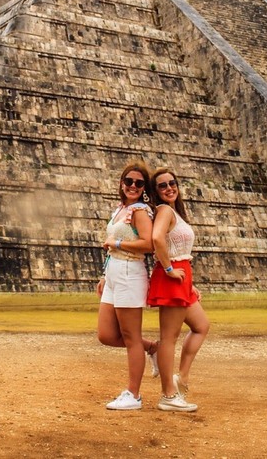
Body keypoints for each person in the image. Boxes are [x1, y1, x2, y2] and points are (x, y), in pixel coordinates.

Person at [146, 167, 210, 412]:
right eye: (162, 185)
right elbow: (157, 239)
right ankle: (168, 396)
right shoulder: (163, 210)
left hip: (182, 277)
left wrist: (189, 282)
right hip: (172, 276)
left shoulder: (174, 212)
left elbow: (176, 247)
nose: (169, 188)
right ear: (156, 191)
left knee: (201, 326)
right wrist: (169, 268)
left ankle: (180, 378)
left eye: (172, 183)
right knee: (168, 339)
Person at [97, 161, 159, 410]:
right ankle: (152, 347)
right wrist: (104, 275)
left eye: (139, 183)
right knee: (106, 335)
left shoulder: (141, 211)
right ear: (121, 183)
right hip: (114, 272)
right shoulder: (120, 208)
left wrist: (118, 244)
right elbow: (112, 243)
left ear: (144, 187)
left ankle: (133, 394)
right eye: (128, 181)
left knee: (131, 337)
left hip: (129, 272)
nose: (133, 186)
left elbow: (148, 244)